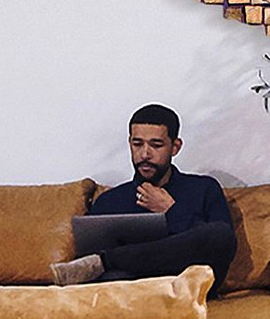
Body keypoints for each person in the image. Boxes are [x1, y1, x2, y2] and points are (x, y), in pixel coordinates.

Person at [50, 103, 236, 288]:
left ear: (175, 147)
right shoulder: (110, 201)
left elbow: (224, 246)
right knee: (112, 278)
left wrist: (172, 211)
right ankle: (111, 263)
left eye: (156, 145)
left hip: (187, 283)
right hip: (130, 289)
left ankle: (108, 260)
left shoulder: (204, 188)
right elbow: (87, 267)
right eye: (137, 144)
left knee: (220, 234)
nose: (145, 154)